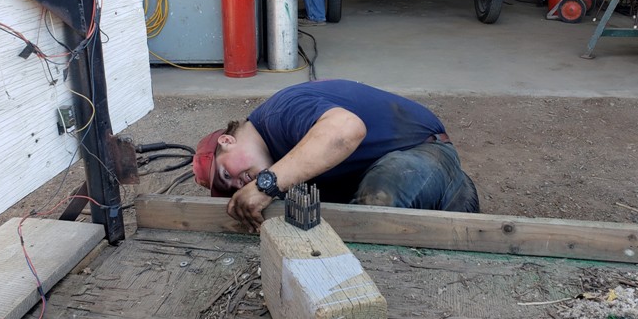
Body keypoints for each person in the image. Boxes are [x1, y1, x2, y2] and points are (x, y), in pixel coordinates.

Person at [193, 79, 479, 232]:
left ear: (227, 141)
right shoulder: (274, 153)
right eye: (230, 188)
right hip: (382, 168)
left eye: (226, 174)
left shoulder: (280, 112)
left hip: (422, 151)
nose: (238, 184)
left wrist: (266, 184)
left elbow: (347, 129)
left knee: (378, 199)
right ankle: (450, 192)